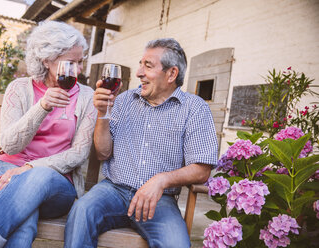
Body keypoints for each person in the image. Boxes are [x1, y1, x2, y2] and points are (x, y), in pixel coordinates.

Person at [64, 38, 218, 247]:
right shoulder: (125, 100)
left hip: (159, 200)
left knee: (176, 244)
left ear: (171, 74)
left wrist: (160, 180)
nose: (138, 73)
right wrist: (103, 113)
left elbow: (202, 169)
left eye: (148, 66)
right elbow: (102, 154)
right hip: (113, 190)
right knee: (81, 211)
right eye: (140, 64)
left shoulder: (195, 109)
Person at [0, 21, 97, 248]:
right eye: (71, 63)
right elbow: (10, 146)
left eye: (80, 62)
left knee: (38, 177)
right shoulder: (19, 88)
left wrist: (31, 168)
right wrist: (41, 107)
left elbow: (79, 152)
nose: (79, 70)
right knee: (24, 219)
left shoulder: (85, 96)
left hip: (55, 182)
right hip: (3, 170)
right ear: (47, 60)